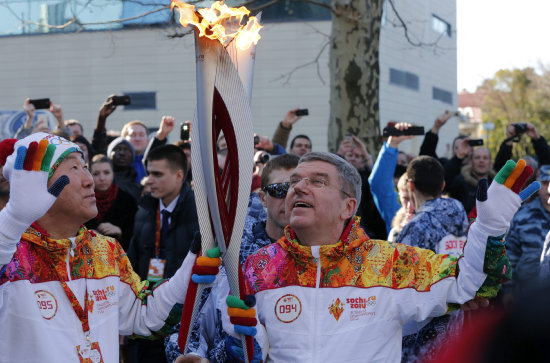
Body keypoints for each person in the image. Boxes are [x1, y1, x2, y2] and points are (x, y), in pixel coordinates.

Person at [236, 151, 535, 362]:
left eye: (317, 181)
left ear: (347, 207)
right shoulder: (257, 269)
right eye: (295, 181)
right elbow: (223, 344)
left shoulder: (389, 265)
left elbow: (472, 284)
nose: (298, 187)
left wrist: (490, 226)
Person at [0, 132, 198, 362]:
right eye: (74, 168)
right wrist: (14, 218)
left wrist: (194, 263)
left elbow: (143, 313)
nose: (89, 179)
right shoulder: (11, 254)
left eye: (85, 167)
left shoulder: (103, 250)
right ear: (37, 184)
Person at [165, 154, 300, 363]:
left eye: (297, 190)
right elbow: (187, 328)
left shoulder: (328, 257)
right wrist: (196, 356)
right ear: (263, 198)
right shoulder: (230, 253)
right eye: (280, 190)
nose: (290, 199)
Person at [395, 156, 469, 362]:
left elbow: (402, 287)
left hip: (420, 340)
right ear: (443, 185)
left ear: (410, 185)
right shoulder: (463, 221)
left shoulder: (416, 228)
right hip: (455, 328)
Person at [505, 164, 550, 293]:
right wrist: (508, 290)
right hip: (526, 294)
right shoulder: (522, 215)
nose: (549, 189)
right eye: (545, 183)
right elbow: (510, 255)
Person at [85, 154, 137, 251]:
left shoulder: (127, 200)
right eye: (96, 174)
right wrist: (85, 233)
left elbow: (136, 234)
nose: (102, 178)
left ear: (113, 174)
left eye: (106, 172)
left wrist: (120, 231)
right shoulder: (81, 199)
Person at [449, 147, 495, 215]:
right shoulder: (460, 182)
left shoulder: (496, 185)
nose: (481, 160)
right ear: (470, 162)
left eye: (485, 158)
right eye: (477, 157)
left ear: (491, 163)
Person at [107, 136, 142, 201]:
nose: (122, 153)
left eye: (126, 150)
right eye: (117, 149)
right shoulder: (104, 181)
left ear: (132, 156)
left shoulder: (138, 187)